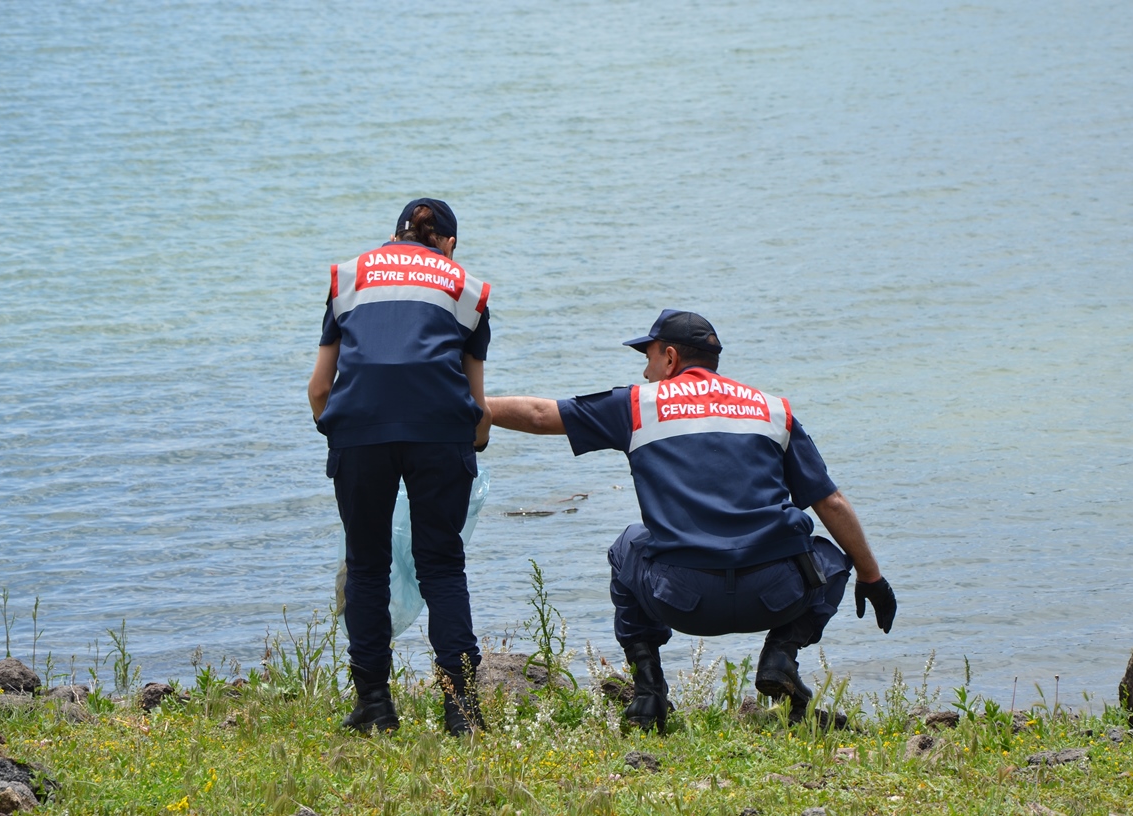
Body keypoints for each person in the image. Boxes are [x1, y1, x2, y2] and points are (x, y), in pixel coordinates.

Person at [488, 309, 896, 732]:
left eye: (646, 358)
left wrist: (471, 404)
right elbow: (830, 503)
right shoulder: (773, 411)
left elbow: (538, 414)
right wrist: (873, 578)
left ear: (669, 357)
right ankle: (781, 656)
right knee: (829, 553)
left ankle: (649, 694)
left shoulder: (636, 406)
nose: (646, 373)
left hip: (683, 600)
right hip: (774, 596)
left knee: (628, 544)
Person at [308, 198, 492, 736]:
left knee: (366, 567)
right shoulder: (467, 287)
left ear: (394, 235)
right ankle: (461, 712)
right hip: (440, 434)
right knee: (441, 565)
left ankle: (374, 706)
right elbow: (477, 408)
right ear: (448, 244)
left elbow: (320, 388)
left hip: (359, 433)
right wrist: (471, 446)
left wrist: (340, 433)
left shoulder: (348, 277)